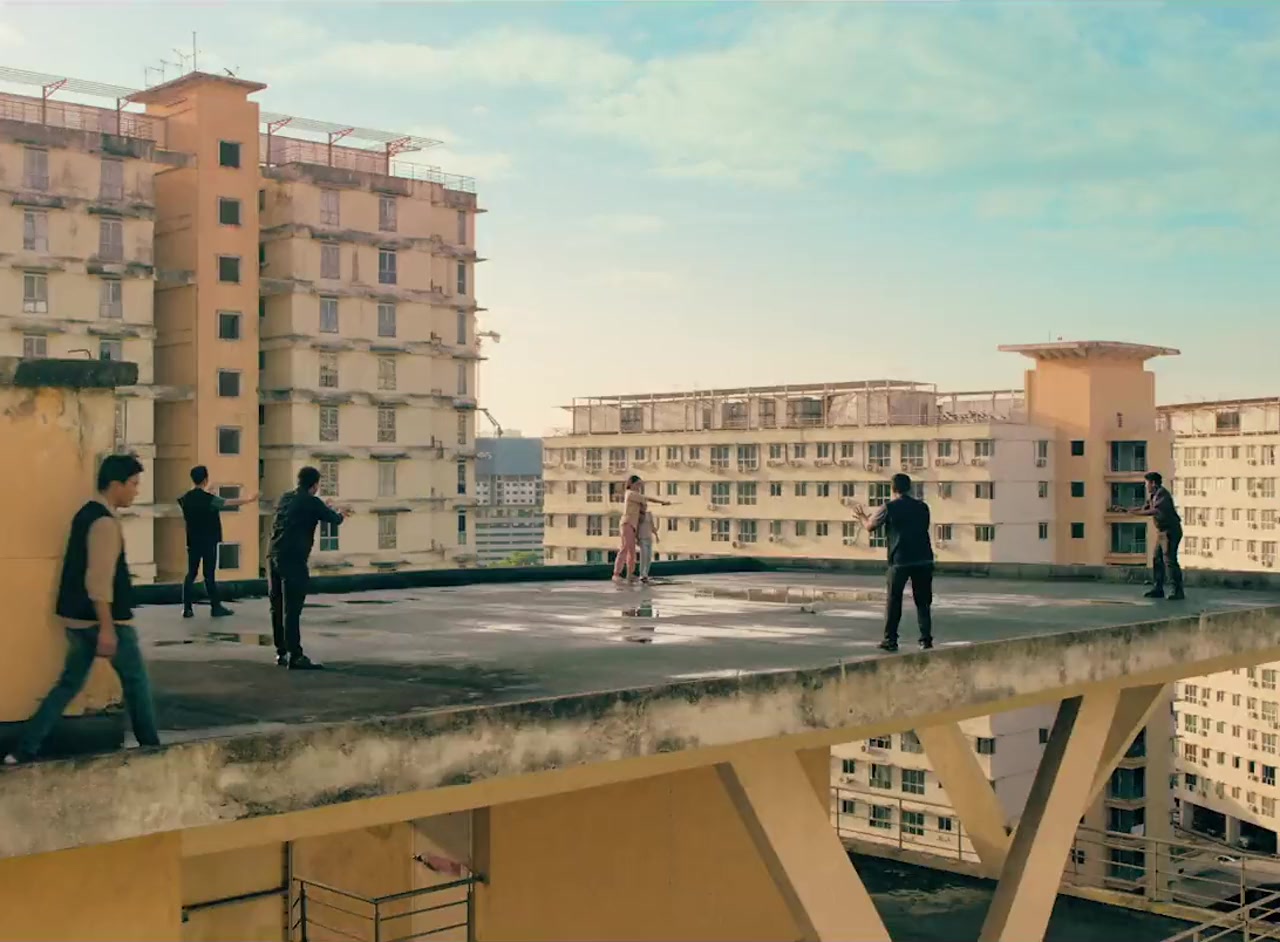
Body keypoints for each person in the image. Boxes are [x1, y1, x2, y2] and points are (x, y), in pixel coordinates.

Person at [4, 454, 159, 765]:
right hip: (103, 621)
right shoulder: (104, 523)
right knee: (136, 684)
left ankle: (24, 749)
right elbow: (98, 581)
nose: (136, 490)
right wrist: (107, 628)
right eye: (133, 484)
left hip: (77, 620)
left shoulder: (85, 514)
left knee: (67, 686)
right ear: (115, 484)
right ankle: (153, 749)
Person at [267, 466, 352, 669]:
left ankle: (281, 652)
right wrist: (341, 512)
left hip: (273, 555)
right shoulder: (311, 502)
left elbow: (308, 510)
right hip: (293, 559)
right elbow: (334, 519)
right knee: (292, 609)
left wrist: (324, 505)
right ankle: (295, 655)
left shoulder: (286, 498)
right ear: (314, 485)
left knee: (276, 606)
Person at [852, 473, 935, 653]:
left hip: (900, 560)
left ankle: (890, 640)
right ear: (909, 488)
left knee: (894, 600)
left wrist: (862, 517)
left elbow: (870, 526)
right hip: (923, 558)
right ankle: (926, 640)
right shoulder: (923, 507)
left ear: (893, 489)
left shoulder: (889, 507)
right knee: (923, 602)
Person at [178, 465, 258, 619]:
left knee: (191, 574)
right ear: (206, 479)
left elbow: (198, 504)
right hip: (209, 541)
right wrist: (249, 499)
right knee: (209, 575)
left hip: (193, 541)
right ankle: (215, 607)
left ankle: (187, 608)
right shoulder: (210, 499)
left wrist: (208, 494)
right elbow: (228, 502)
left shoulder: (185, 499)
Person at [1128, 470, 1184, 600]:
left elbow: (1153, 511)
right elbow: (1145, 508)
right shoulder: (1154, 495)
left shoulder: (1163, 495)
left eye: (1146, 483)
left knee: (1169, 561)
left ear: (1153, 483)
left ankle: (1177, 590)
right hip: (1162, 532)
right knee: (1157, 559)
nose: (1145, 486)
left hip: (1170, 531)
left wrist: (1134, 514)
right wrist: (1127, 510)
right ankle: (1158, 588)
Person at [612, 475, 671, 584]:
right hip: (627, 523)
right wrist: (662, 502)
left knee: (632, 551)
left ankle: (630, 574)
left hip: (633, 525)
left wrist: (661, 502)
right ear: (632, 484)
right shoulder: (630, 493)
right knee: (625, 548)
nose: (639, 487)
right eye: (638, 484)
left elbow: (645, 502)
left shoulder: (635, 495)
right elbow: (645, 500)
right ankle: (616, 574)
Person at [637, 510, 660, 584]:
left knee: (649, 557)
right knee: (644, 556)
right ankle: (641, 574)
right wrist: (637, 538)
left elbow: (652, 526)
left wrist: (656, 536)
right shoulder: (638, 515)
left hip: (649, 538)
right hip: (642, 538)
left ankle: (646, 574)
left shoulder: (649, 514)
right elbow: (637, 527)